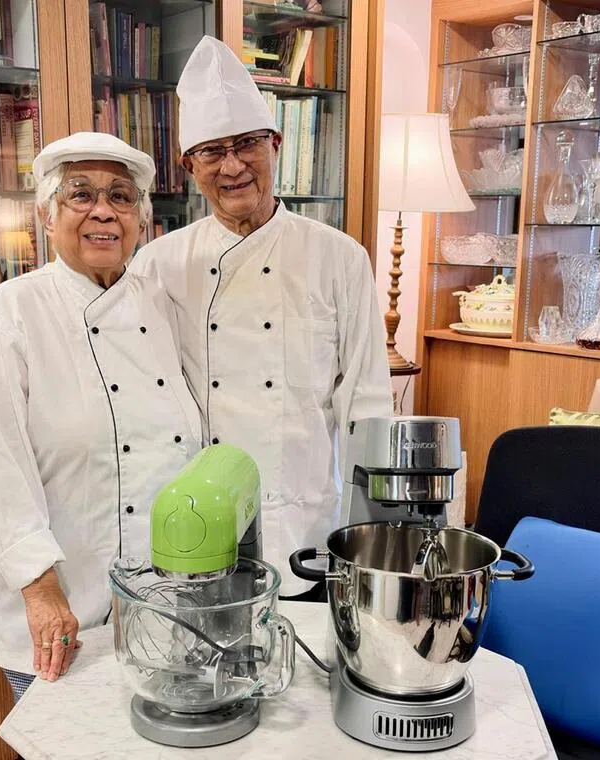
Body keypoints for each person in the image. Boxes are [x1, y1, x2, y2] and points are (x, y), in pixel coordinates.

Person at [129, 36, 393, 601]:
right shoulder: (157, 265)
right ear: (188, 166)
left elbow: (366, 406)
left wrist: (375, 539)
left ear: (275, 143)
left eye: (247, 144)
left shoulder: (340, 257)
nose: (233, 165)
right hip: (197, 534)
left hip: (309, 530)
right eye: (211, 151)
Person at [0, 132, 203, 702]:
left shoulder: (161, 304)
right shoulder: (14, 311)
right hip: (61, 612)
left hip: (165, 613)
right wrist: (40, 590)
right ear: (47, 214)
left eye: (121, 197)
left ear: (142, 221)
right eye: (81, 195)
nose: (103, 211)